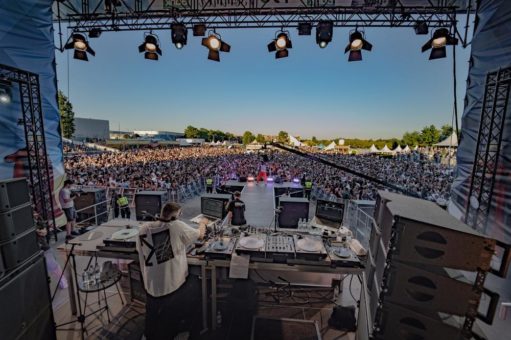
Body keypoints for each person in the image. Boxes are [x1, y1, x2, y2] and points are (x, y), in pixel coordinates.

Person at [137, 202, 207, 340]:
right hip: (172, 288)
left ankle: (149, 333)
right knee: (196, 282)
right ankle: (188, 327)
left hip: (150, 288)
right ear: (177, 216)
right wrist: (203, 223)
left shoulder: (143, 228)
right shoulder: (177, 226)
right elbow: (200, 235)